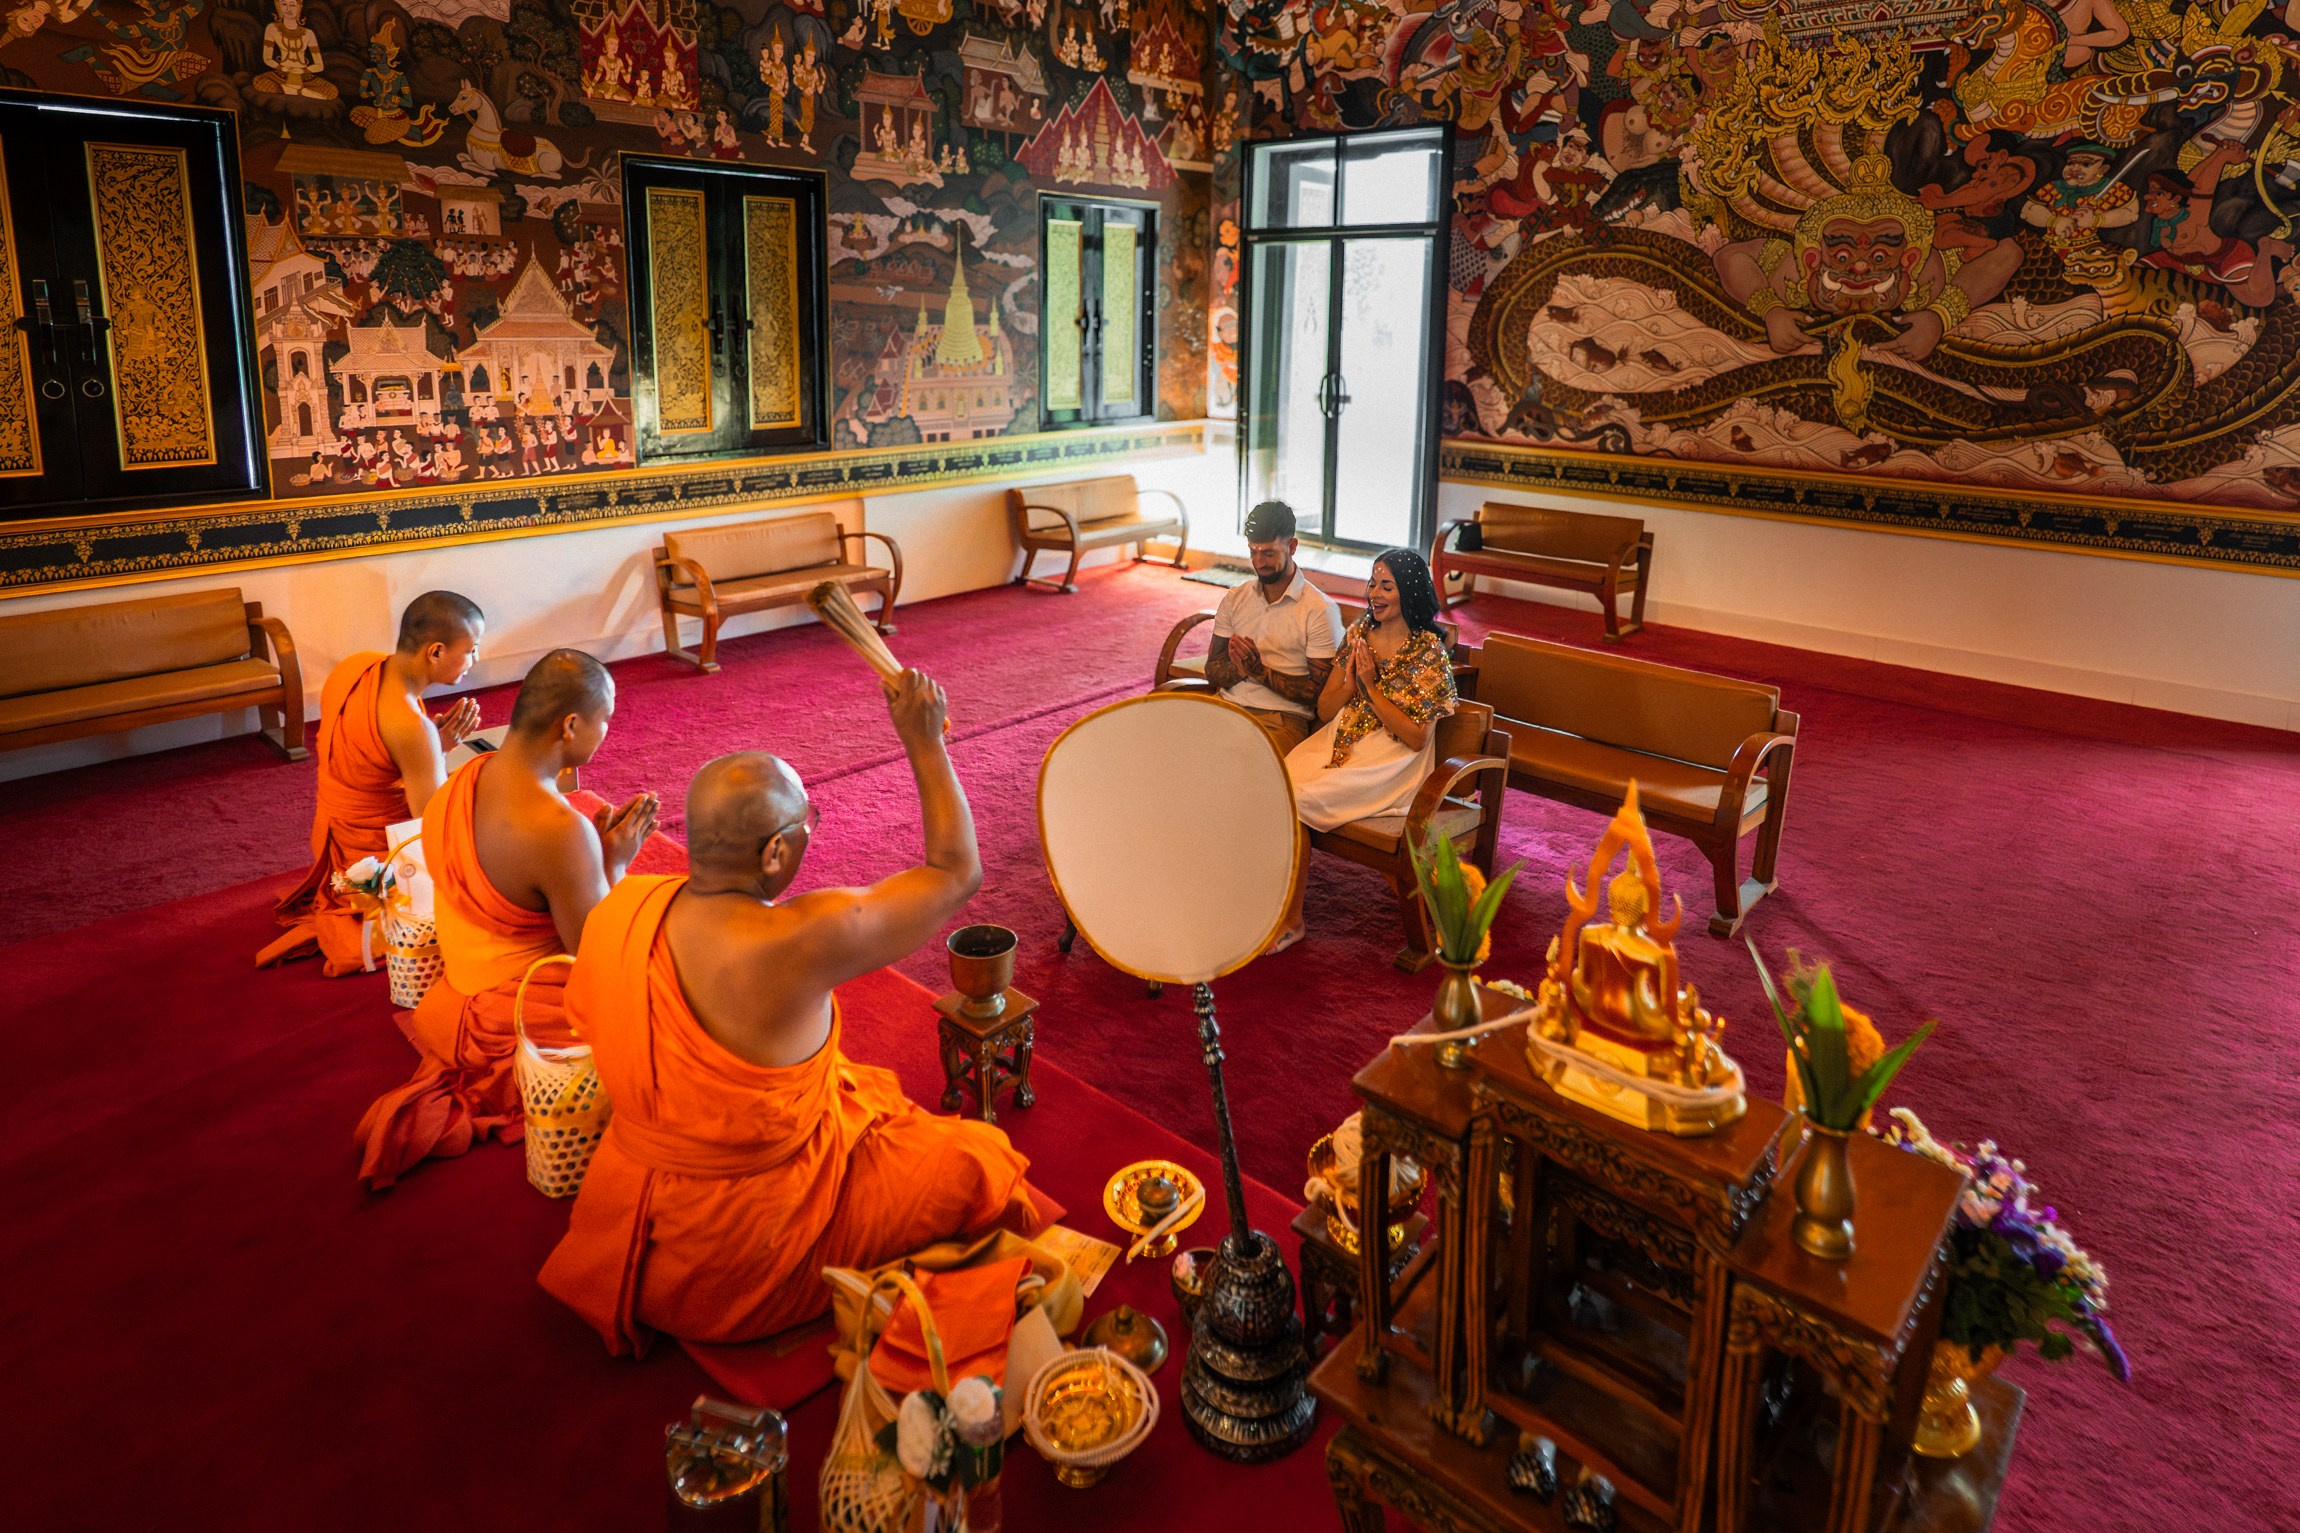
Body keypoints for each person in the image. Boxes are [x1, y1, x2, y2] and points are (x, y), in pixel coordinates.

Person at [539, 670, 1046, 1354]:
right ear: (776, 851)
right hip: (744, 1257)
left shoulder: (620, 908)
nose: (811, 832)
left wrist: (618, 867)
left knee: (866, 1093)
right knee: (981, 1161)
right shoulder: (801, 938)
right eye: (809, 822)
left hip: (633, 1226)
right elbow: (957, 873)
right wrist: (925, 742)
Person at [354, 649, 660, 1190]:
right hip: (509, 1022)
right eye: (605, 718)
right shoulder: (560, 829)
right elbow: (594, 959)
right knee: (668, 967)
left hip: (449, 1001)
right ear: (570, 725)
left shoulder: (461, 778)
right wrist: (612, 863)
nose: (608, 729)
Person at [258, 592, 485, 975]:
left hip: (331, 840)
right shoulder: (411, 726)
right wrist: (452, 771)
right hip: (372, 867)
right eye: (472, 650)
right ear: (435, 652)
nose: (475, 660)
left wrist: (434, 750)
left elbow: (366, 767)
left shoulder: (356, 666)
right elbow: (429, 827)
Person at [1272, 549, 1457, 951]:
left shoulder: (1429, 653)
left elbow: (1417, 738)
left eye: (1386, 586)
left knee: (1297, 798)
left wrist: (1372, 688)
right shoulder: (1358, 634)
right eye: (1372, 583)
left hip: (1391, 762)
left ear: (1407, 591)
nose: (1375, 593)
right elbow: (1324, 708)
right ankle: (1264, 898)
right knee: (1274, 783)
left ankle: (1291, 919)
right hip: (1341, 741)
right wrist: (1352, 683)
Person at [1197, 500, 1345, 756]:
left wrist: (1260, 672)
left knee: (1235, 764)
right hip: (1227, 707)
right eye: (1253, 551)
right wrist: (1239, 669)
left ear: (1292, 546)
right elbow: (1213, 669)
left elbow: (1319, 695)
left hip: (1281, 721)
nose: (1258, 561)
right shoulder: (1235, 598)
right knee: (1173, 749)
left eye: (1268, 553)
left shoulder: (1319, 609)